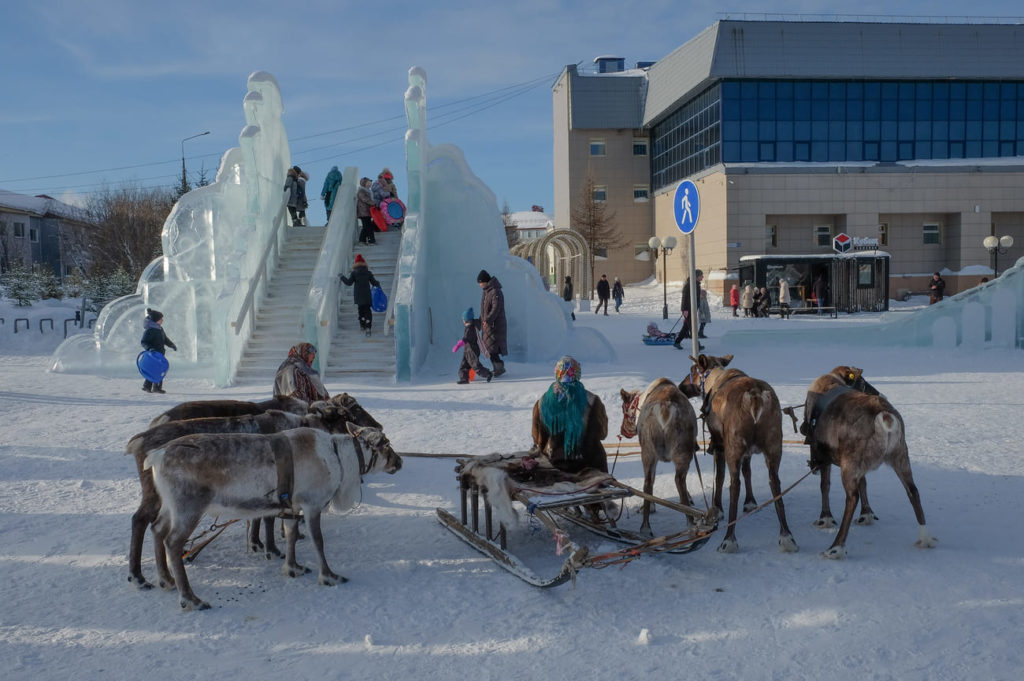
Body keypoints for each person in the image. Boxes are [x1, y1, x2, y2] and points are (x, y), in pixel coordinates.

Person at [530, 356, 608, 474]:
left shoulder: (541, 403)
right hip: (589, 464)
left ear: (557, 374)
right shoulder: (592, 401)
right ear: (577, 373)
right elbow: (602, 434)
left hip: (553, 464)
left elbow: (537, 438)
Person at [340, 253, 380, 337]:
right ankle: (368, 325)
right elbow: (374, 283)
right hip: (367, 295)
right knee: (367, 310)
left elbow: (349, 283)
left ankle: (362, 325)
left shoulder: (354, 273)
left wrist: (342, 277)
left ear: (356, 264)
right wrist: (378, 283)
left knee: (361, 310)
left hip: (359, 296)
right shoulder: (368, 273)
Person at [477, 269, 507, 377]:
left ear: (485, 281)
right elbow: (484, 310)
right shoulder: (486, 292)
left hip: (495, 325)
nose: (480, 285)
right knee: (489, 349)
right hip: (489, 325)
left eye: (481, 282)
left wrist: (488, 320)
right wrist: (481, 320)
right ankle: (498, 367)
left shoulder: (495, 291)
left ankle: (499, 367)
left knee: (492, 348)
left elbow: (496, 308)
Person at [140, 308, 177, 394]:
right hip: (153, 354)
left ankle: (151, 386)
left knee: (157, 370)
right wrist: (150, 348)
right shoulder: (150, 330)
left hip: (160, 353)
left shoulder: (160, 329)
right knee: (156, 370)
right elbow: (143, 342)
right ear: (156, 320)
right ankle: (152, 387)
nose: (162, 320)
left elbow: (165, 339)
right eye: (160, 319)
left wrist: (171, 345)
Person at [452, 307, 492, 385]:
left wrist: (458, 345)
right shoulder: (473, 325)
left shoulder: (470, 328)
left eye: (463, 319)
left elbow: (466, 338)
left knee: (476, 366)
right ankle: (464, 379)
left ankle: (488, 373)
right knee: (464, 366)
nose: (462, 320)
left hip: (472, 351)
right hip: (468, 350)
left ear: (466, 319)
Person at [673, 269, 704, 349]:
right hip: (688, 309)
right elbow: (684, 298)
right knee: (692, 327)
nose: (702, 277)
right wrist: (685, 309)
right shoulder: (689, 285)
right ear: (696, 276)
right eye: (701, 275)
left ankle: (677, 342)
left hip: (693, 309)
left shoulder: (696, 284)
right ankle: (697, 346)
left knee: (686, 327)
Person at [356, 177, 377, 245]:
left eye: (370, 183)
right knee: (368, 227)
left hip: (367, 211)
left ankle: (362, 241)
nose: (370, 184)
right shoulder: (361, 191)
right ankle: (371, 241)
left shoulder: (368, 191)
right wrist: (374, 203)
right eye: (368, 183)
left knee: (366, 227)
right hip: (363, 211)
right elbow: (365, 199)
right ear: (364, 183)